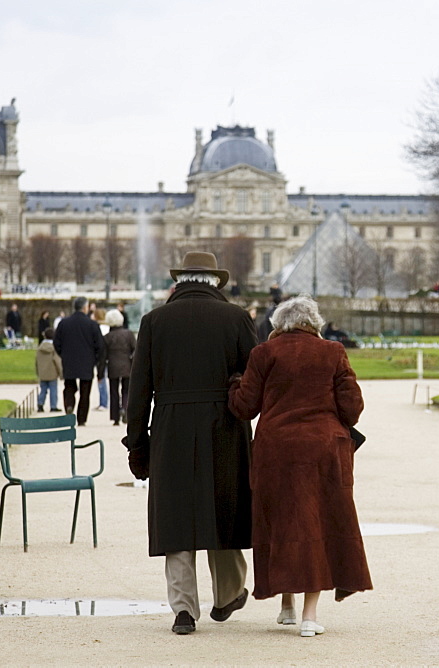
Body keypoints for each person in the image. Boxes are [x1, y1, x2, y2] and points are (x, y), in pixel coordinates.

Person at [126, 251, 258, 636]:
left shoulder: (154, 321)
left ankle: (184, 609)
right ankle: (228, 594)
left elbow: (138, 391)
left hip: (171, 426)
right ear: (215, 281)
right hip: (225, 423)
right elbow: (254, 380)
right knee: (224, 509)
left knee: (176, 515)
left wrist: (137, 443)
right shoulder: (236, 318)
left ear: (180, 281)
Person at [228, 295, 371, 638]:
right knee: (316, 523)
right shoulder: (332, 352)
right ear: (314, 322)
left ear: (279, 325)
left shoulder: (263, 353)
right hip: (322, 450)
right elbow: (353, 406)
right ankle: (309, 615)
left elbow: (245, 406)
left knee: (280, 521)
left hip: (275, 449)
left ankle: (286, 605)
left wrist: (233, 384)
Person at [53, 296, 105, 427]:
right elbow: (100, 346)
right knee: (85, 392)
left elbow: (56, 343)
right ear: (85, 307)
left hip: (69, 360)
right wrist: (95, 360)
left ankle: (69, 405)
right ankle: (81, 419)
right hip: (86, 362)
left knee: (69, 387)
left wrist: (63, 354)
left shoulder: (63, 323)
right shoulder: (92, 324)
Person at [103, 309, 136, 426]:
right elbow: (135, 349)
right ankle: (125, 410)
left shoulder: (107, 337)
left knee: (114, 392)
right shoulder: (128, 334)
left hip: (113, 366)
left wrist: (100, 373)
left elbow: (103, 356)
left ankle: (115, 417)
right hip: (127, 365)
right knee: (126, 390)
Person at [35, 327, 62, 412]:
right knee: (53, 390)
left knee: (43, 390)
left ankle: (40, 404)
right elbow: (57, 361)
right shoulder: (54, 348)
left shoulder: (40, 348)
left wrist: (38, 371)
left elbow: (36, 361)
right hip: (52, 373)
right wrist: (61, 373)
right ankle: (53, 406)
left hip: (42, 373)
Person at [93, 309, 110, 412]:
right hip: (109, 356)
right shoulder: (108, 327)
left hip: (101, 357)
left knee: (101, 379)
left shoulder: (98, 328)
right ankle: (104, 402)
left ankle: (103, 402)